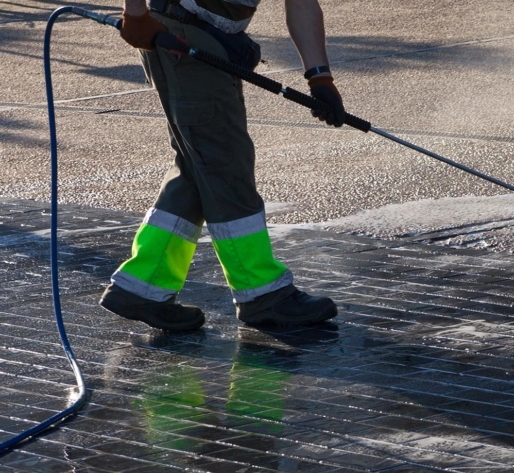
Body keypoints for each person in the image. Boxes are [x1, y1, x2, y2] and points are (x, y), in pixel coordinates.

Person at [100, 0, 347, 331]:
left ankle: (143, 285)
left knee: (199, 163)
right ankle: (262, 293)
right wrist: (135, 13)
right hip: (182, 36)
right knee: (225, 164)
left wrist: (320, 79)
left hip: (201, 36)